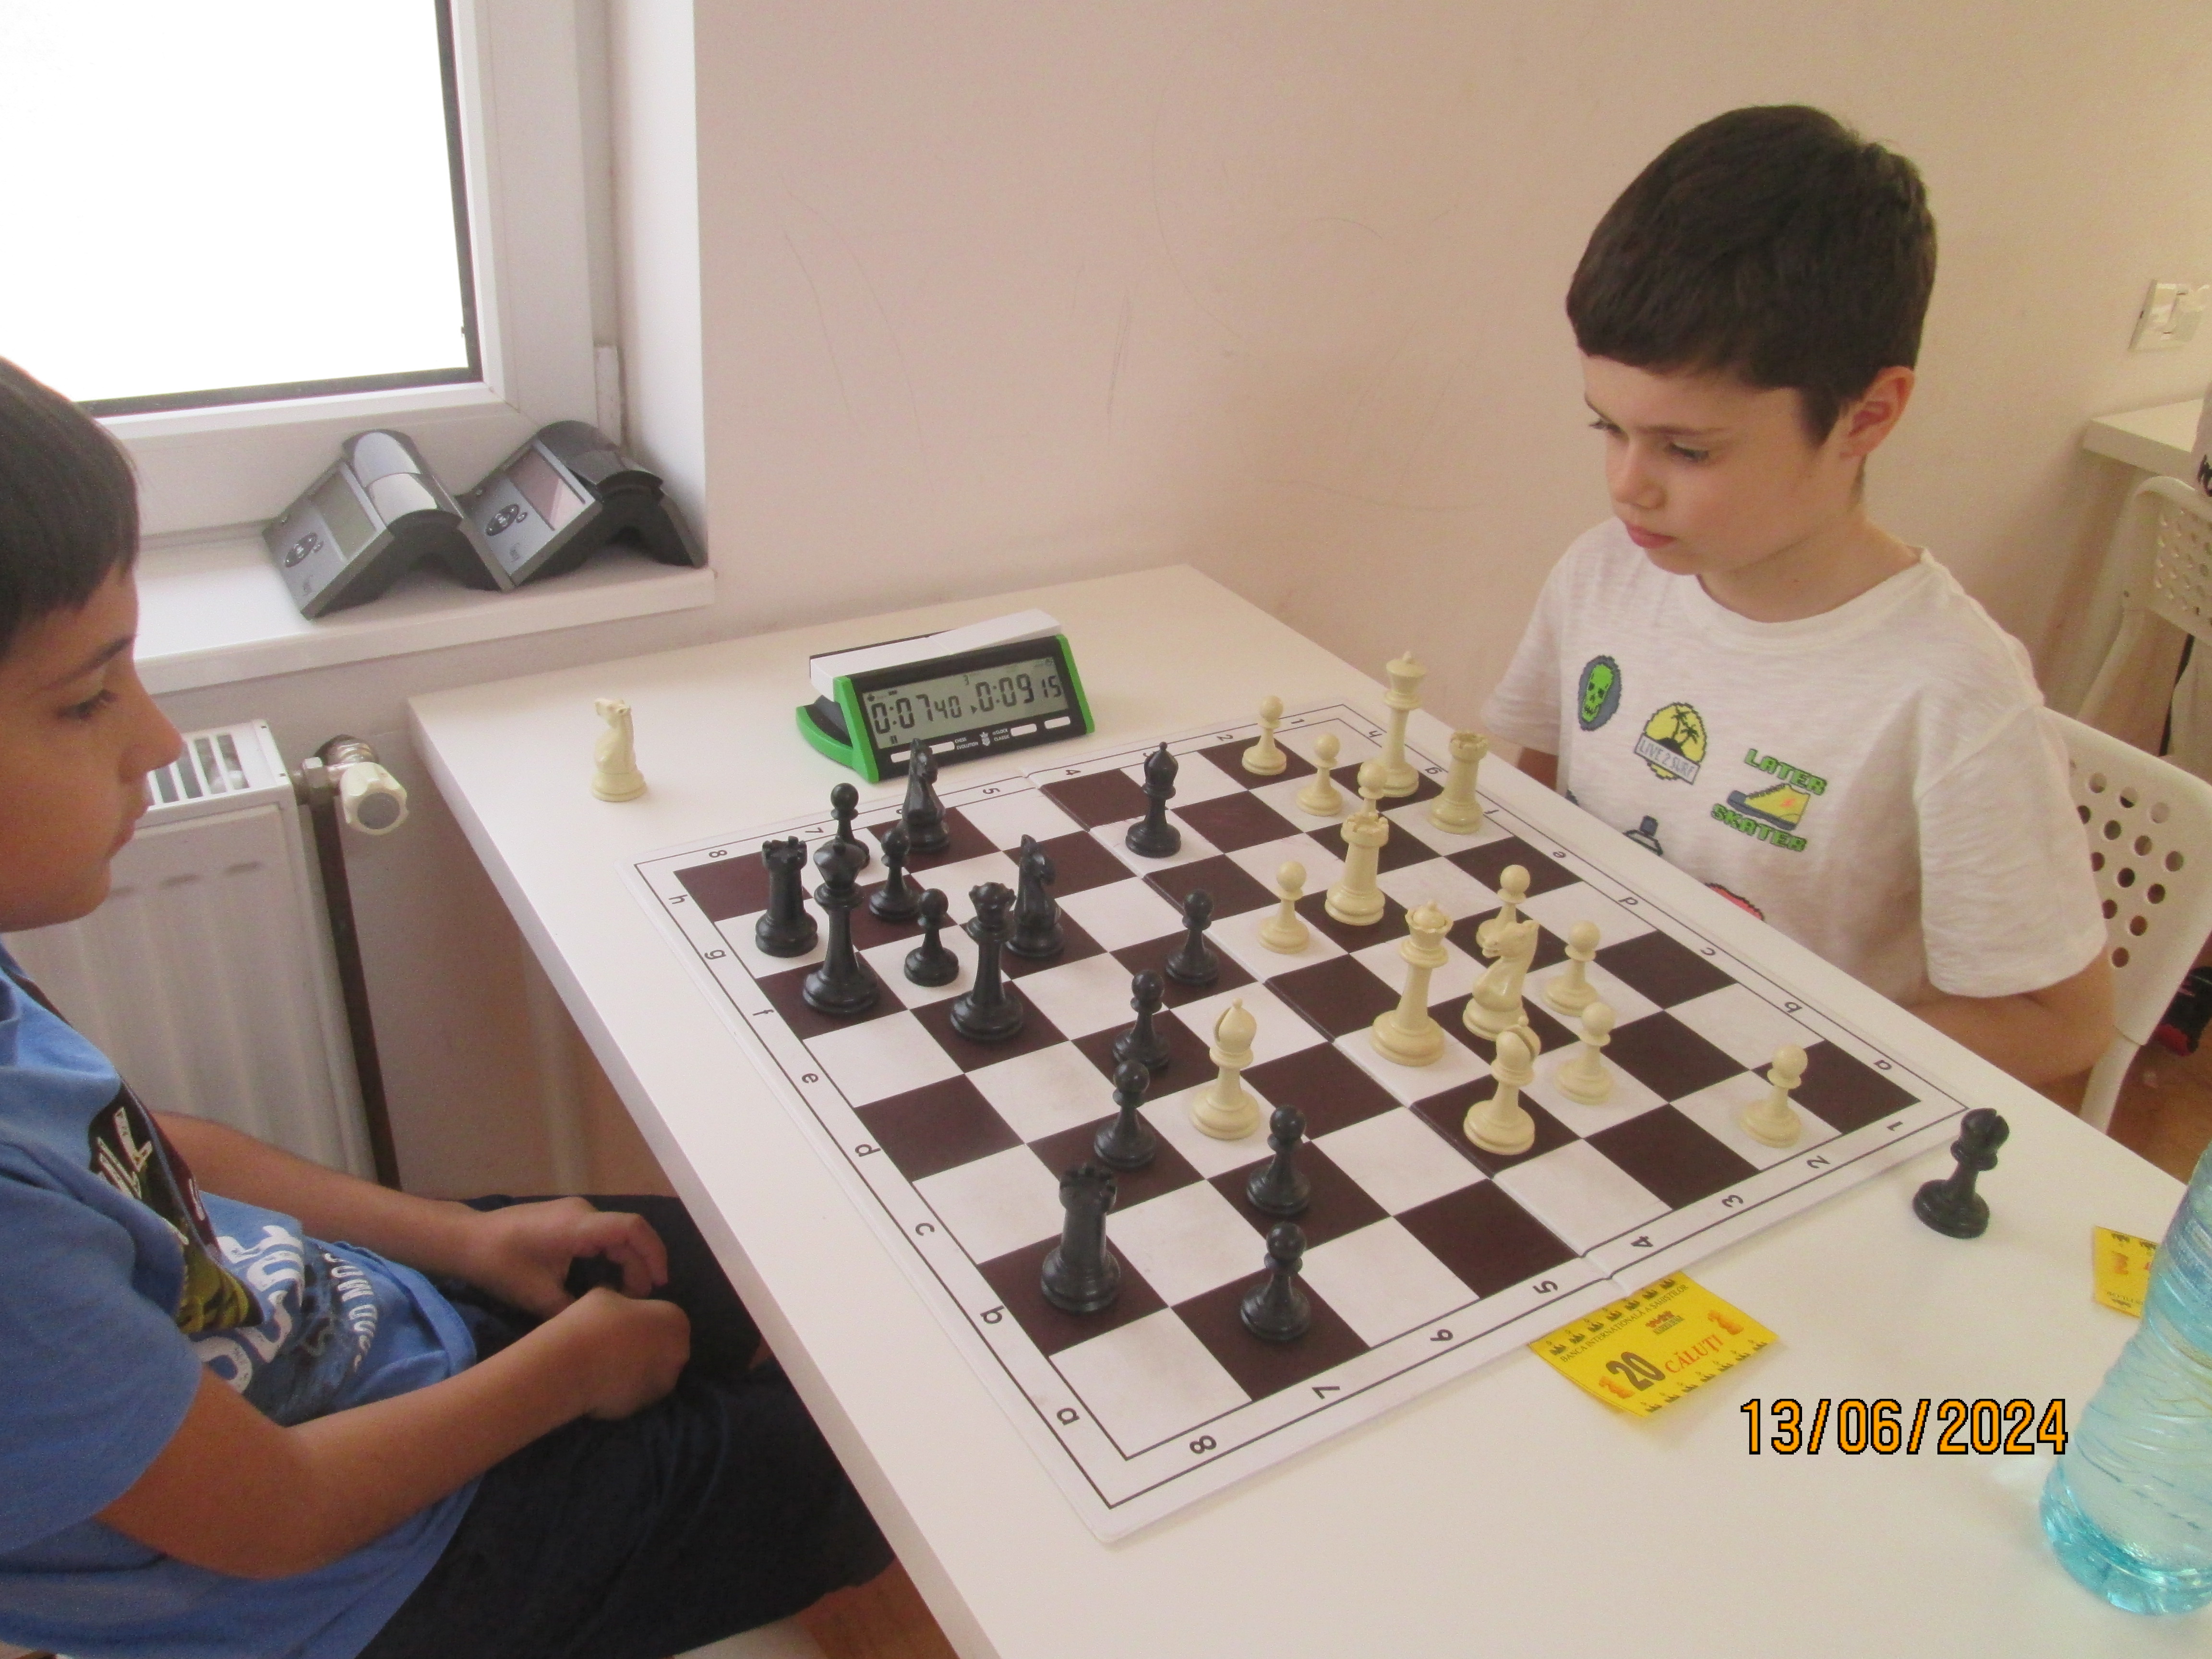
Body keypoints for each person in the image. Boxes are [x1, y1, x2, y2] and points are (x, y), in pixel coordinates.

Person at [0, 355, 890, 1659]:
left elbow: (153, 1152)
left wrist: (463, 1241)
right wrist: (568, 1374)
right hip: (372, 1584)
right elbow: (278, 1516)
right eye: (87, 699)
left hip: (373, 1338)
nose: (159, 741)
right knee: (894, 1448)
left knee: (800, 1259)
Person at [1482, 106, 2111, 1087]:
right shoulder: (1603, 572)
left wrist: (1781, 1057)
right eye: (1607, 427)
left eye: (1689, 450)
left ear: (1867, 416)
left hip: (1764, 1104)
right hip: (1575, 1053)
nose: (1627, 485)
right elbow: (1536, 805)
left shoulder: (1952, 693)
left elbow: (2061, 1025)